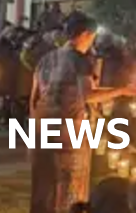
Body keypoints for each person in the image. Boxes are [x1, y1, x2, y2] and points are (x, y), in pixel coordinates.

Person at [30, 12, 128, 213]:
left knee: (43, 184)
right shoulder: (79, 60)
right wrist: (122, 91)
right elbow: (88, 96)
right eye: (92, 37)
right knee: (69, 184)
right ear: (84, 34)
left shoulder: (46, 59)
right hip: (68, 132)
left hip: (41, 129)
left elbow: (34, 97)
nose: (92, 42)